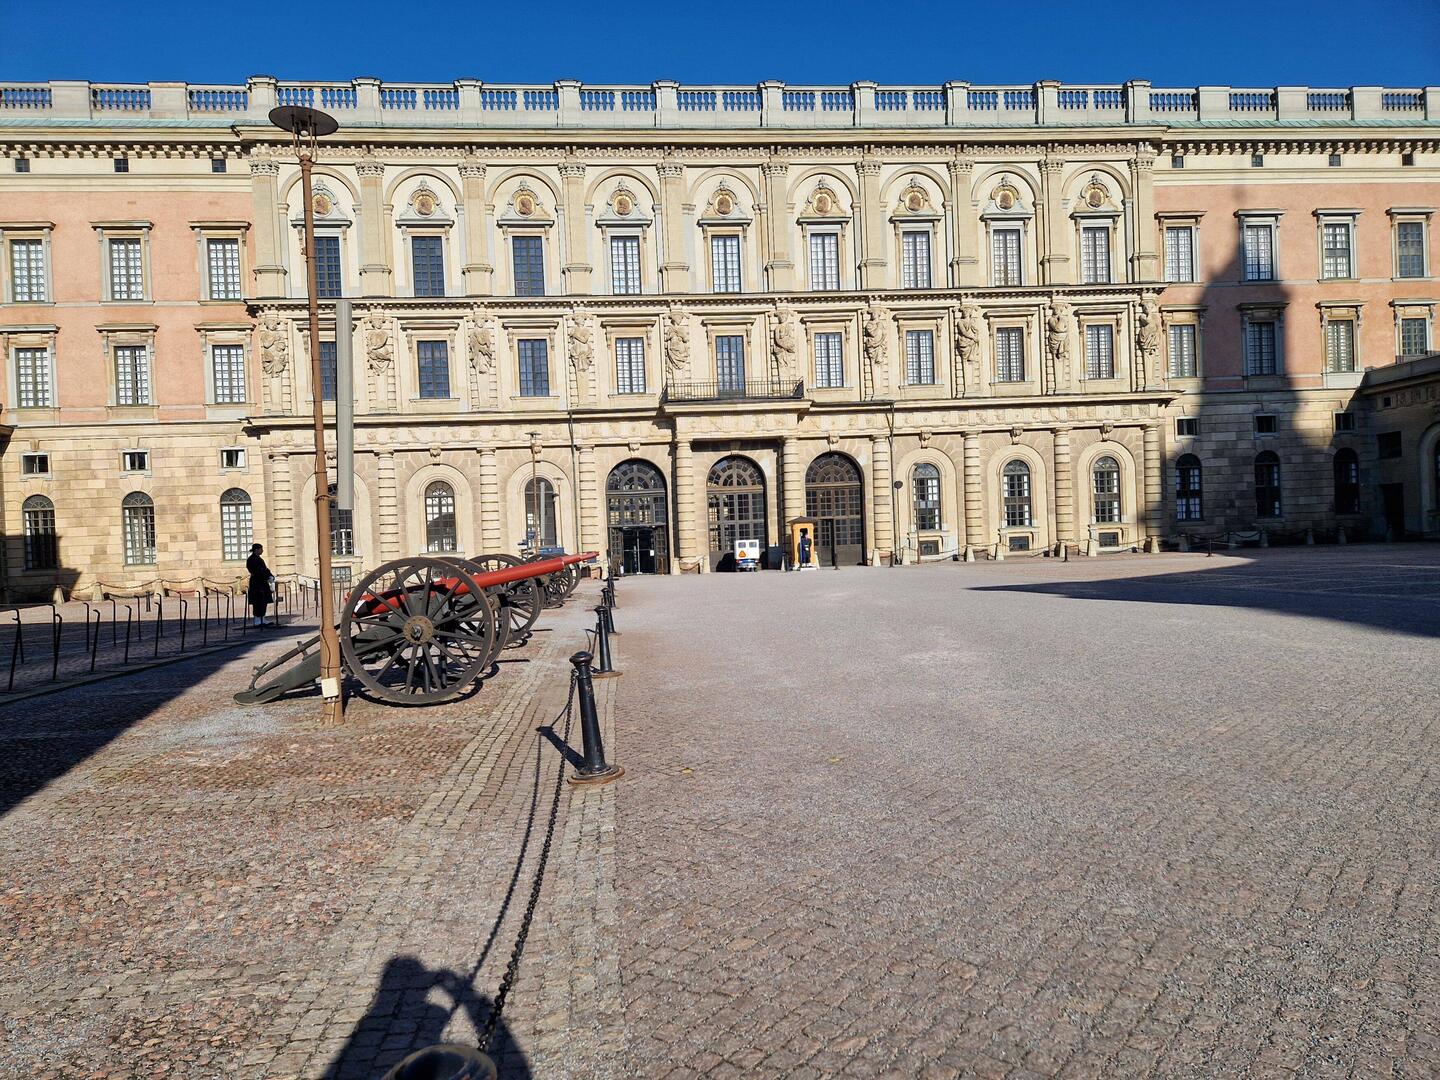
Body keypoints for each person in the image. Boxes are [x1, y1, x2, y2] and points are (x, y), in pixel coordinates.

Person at [246, 543, 274, 627]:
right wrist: (266, 576)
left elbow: (265, 569)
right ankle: (257, 619)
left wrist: (270, 575)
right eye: (261, 549)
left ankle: (263, 617)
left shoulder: (259, 559)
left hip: (263, 582)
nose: (262, 551)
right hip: (256, 583)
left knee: (263, 601)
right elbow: (257, 570)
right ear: (256, 549)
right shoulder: (251, 559)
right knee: (257, 601)